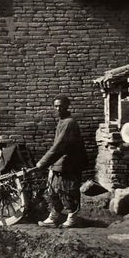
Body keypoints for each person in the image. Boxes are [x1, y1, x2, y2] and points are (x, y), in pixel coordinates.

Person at [34, 95, 88, 228]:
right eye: (56, 106)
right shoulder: (62, 121)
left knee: (67, 190)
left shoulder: (69, 123)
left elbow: (59, 146)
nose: (58, 108)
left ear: (67, 106)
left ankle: (72, 218)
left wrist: (43, 162)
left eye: (61, 106)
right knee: (52, 189)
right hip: (59, 161)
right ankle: (54, 216)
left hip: (70, 162)